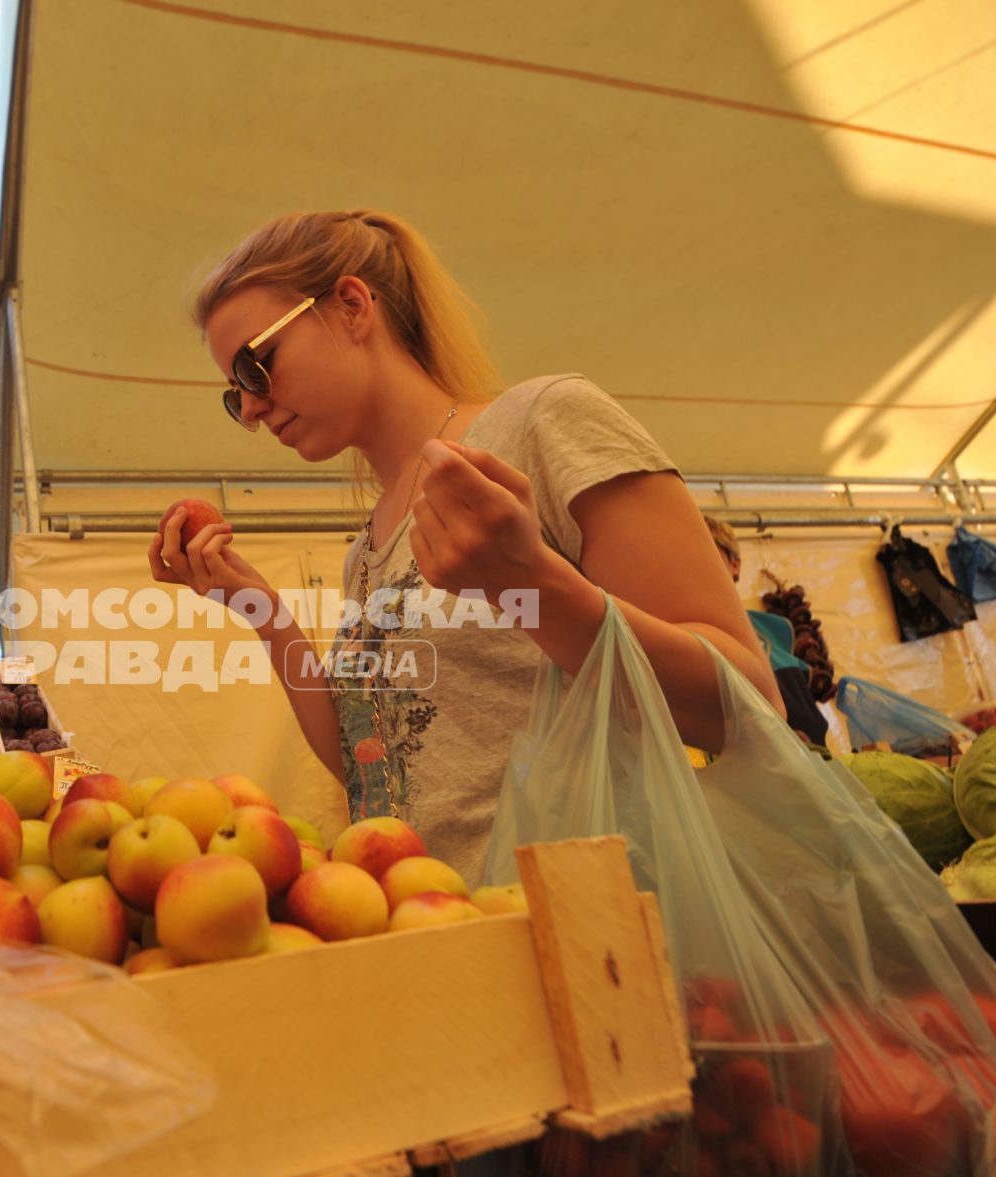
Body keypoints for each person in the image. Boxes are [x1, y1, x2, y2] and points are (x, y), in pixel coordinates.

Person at [149, 209, 782, 881]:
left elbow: (746, 703)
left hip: (597, 926)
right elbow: (372, 763)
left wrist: (529, 583)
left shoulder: (543, 422)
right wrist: (260, 609)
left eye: (255, 366)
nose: (249, 409)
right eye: (233, 394)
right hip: (451, 932)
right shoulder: (366, 551)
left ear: (352, 307)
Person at [705, 516, 833, 749]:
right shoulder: (683, 632)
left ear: (735, 565)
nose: (697, 562)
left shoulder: (778, 628)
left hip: (816, 760)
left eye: (707, 551)